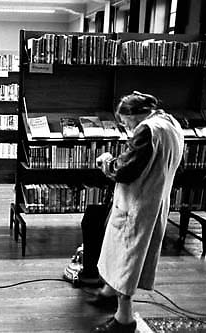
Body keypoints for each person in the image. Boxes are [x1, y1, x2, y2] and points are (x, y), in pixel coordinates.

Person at [90, 91, 185, 333]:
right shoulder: (172, 124)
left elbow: (127, 170)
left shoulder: (147, 130)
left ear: (136, 114)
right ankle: (108, 292)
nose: (126, 127)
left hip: (136, 205)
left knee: (127, 259)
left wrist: (108, 162)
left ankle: (124, 320)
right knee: (121, 253)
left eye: (125, 121)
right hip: (156, 201)